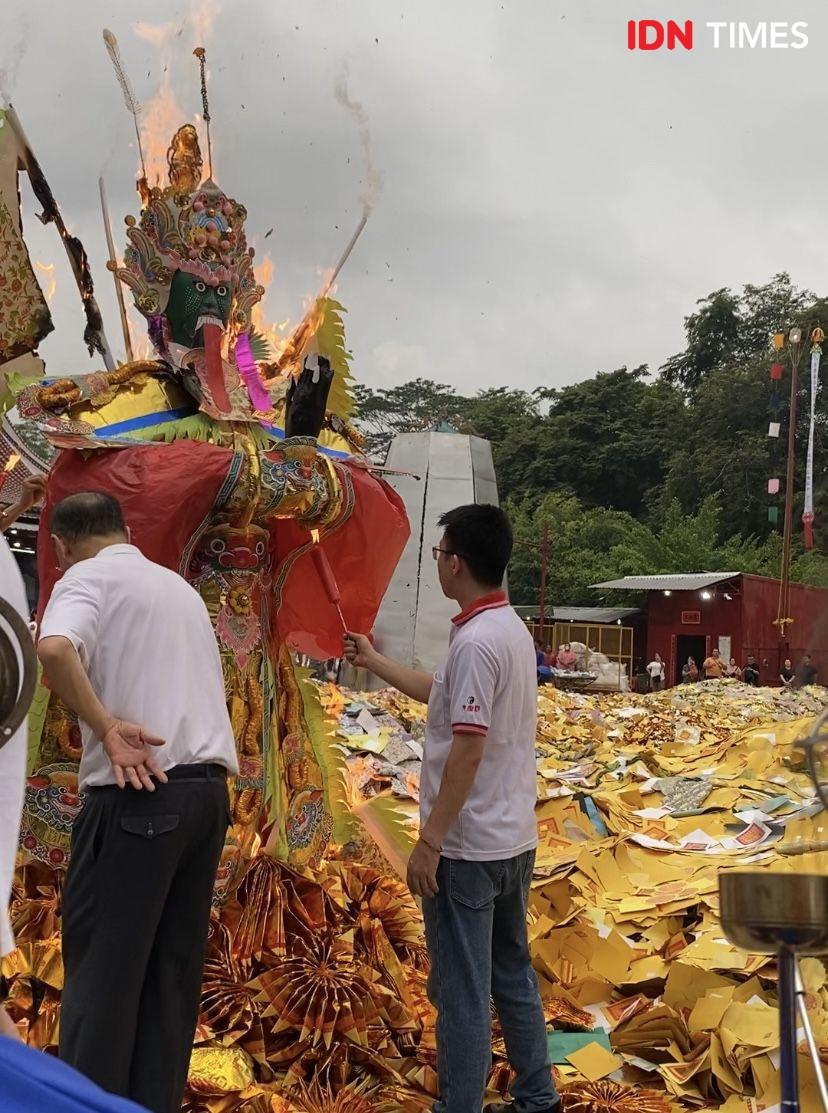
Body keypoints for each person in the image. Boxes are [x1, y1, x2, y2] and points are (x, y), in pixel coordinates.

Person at [344, 504, 560, 1113]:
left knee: (462, 992)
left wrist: (430, 842)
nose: (437, 562)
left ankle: (457, 1104)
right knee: (511, 974)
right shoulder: (505, 630)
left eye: (439, 554)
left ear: (456, 562)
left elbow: (467, 750)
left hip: (468, 849)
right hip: (513, 839)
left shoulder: (477, 643)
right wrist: (374, 661)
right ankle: (538, 1097)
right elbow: (440, 698)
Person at [36, 492, 239, 1113]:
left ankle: (88, 1105)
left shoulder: (84, 579)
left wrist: (103, 726)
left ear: (61, 546)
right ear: (127, 529)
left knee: (104, 978)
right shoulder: (174, 587)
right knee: (166, 980)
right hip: (207, 795)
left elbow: (51, 650)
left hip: (141, 792)